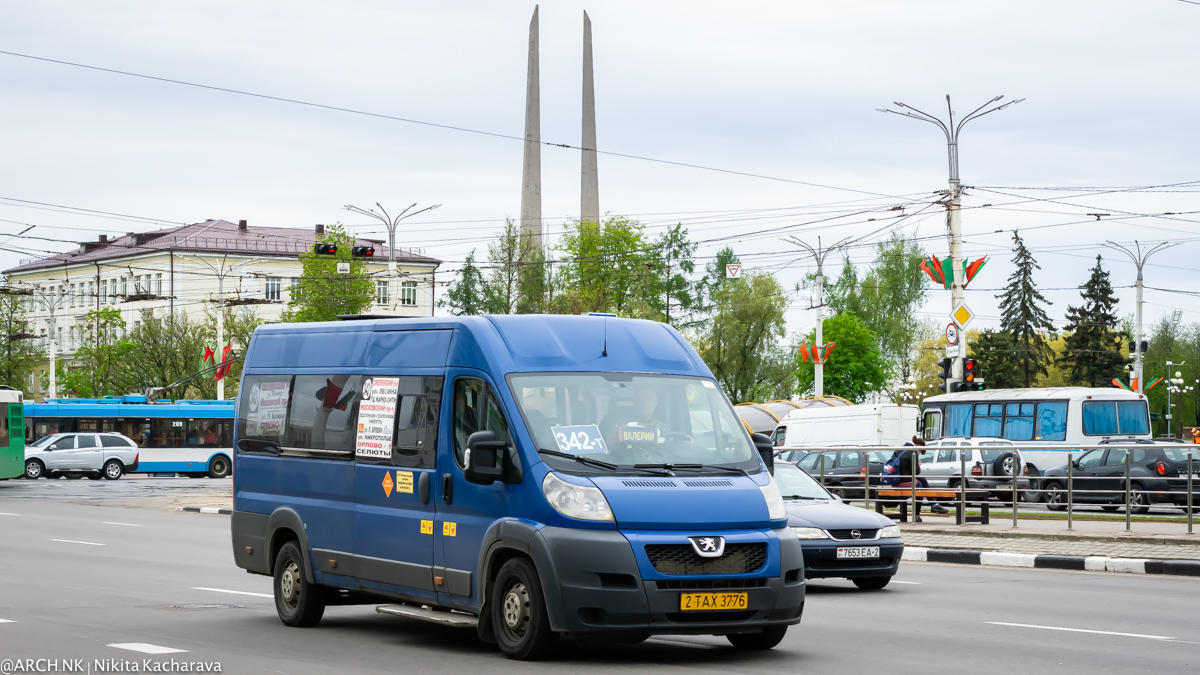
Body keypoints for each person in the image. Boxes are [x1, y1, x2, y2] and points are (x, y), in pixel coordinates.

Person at [892, 436, 948, 520]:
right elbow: (916, 472)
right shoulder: (912, 452)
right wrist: (918, 465)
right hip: (901, 481)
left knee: (922, 479)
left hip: (895, 479)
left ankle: (934, 504)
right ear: (918, 445)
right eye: (920, 450)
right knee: (919, 486)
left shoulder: (900, 449)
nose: (919, 452)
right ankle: (917, 515)